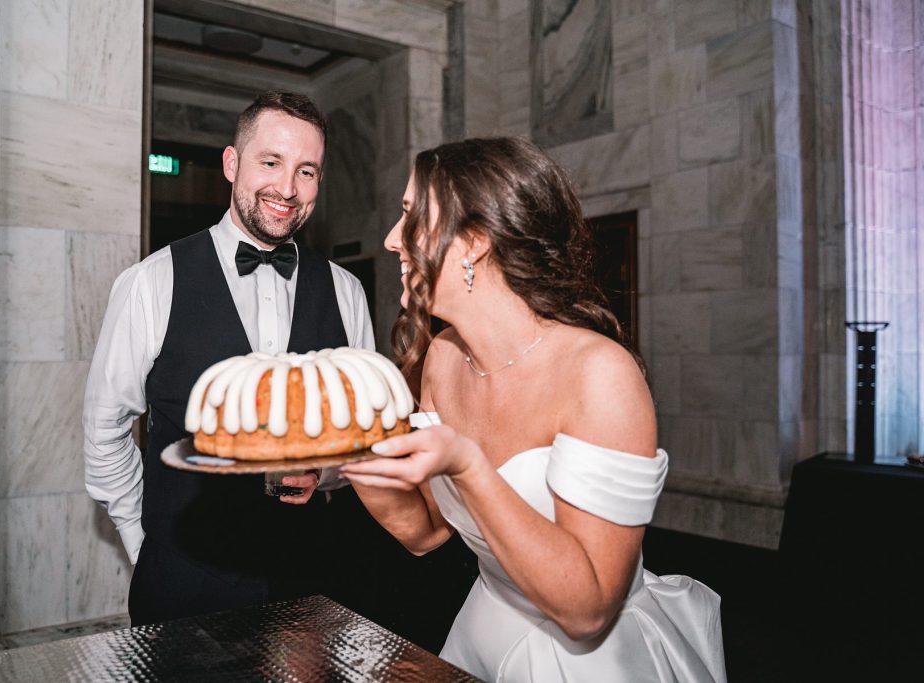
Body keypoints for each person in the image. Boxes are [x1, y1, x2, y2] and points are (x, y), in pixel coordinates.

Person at [341, 137, 726, 681]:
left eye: (411, 218)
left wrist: (467, 463)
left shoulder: (600, 375)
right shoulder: (443, 360)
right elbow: (425, 532)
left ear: (474, 241)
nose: (390, 240)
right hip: (483, 633)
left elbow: (589, 610)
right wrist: (349, 446)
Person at [83, 91, 376, 626]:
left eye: (306, 171)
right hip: (182, 587)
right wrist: (146, 544)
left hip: (310, 587)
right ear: (231, 163)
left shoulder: (346, 291)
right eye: (271, 162)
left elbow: (365, 440)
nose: (287, 189)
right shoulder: (153, 282)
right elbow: (105, 431)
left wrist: (328, 472)